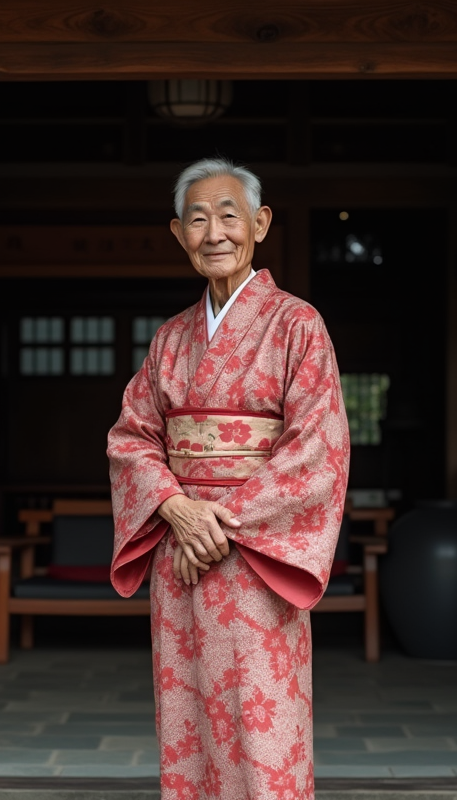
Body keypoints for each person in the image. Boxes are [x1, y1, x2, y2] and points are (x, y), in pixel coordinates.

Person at [107, 157, 350, 799]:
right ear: (177, 233)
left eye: (228, 215)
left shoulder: (298, 325)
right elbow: (132, 436)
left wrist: (215, 523)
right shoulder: (170, 340)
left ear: (260, 224)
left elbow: (317, 446)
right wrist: (175, 510)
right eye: (197, 219)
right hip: (181, 556)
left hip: (252, 559)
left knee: (261, 722)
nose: (214, 232)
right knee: (186, 722)